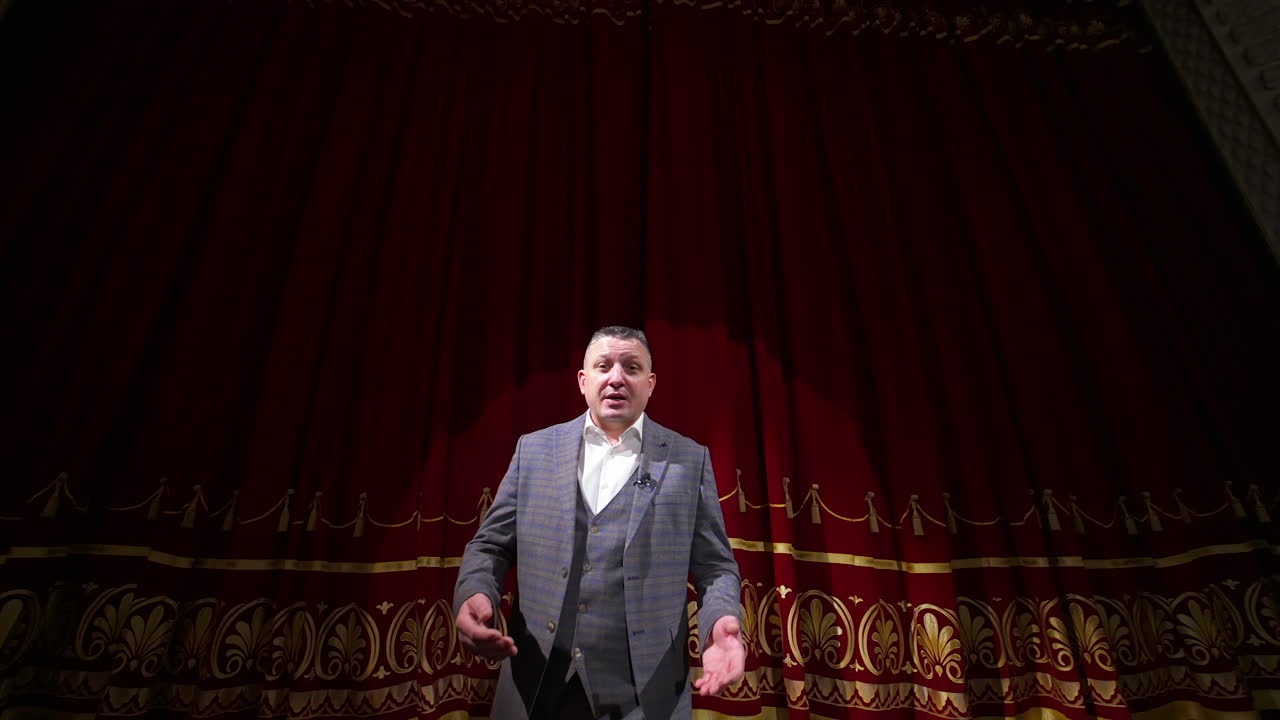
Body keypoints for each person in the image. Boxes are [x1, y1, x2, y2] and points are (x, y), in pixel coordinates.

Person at [453, 326, 745, 720]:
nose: (616, 377)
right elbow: (491, 545)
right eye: (603, 366)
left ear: (650, 384)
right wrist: (475, 592)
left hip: (646, 694)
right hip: (536, 682)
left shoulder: (689, 460)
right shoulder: (534, 450)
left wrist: (721, 621)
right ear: (583, 380)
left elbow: (716, 566)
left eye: (632, 367)